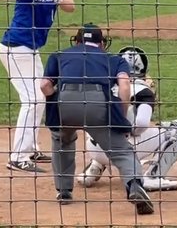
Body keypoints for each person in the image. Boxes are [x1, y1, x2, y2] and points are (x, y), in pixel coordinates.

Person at [39, 25, 155, 215]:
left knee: (62, 141)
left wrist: (57, 101)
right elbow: (124, 86)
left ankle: (64, 192)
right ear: (102, 43)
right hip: (98, 104)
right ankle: (134, 186)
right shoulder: (113, 59)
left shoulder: (59, 55)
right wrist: (120, 117)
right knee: (121, 151)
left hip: (65, 103)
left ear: (77, 42)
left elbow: (44, 85)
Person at [0, 0, 75, 173]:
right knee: (32, 98)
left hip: (30, 50)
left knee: (40, 94)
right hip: (15, 47)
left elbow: (71, 6)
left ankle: (30, 148)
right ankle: (18, 156)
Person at [78, 46, 177, 192]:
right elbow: (141, 123)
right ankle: (153, 177)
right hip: (123, 150)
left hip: (93, 147)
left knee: (104, 126)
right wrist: (127, 131)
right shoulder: (143, 91)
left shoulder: (103, 84)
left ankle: (94, 168)